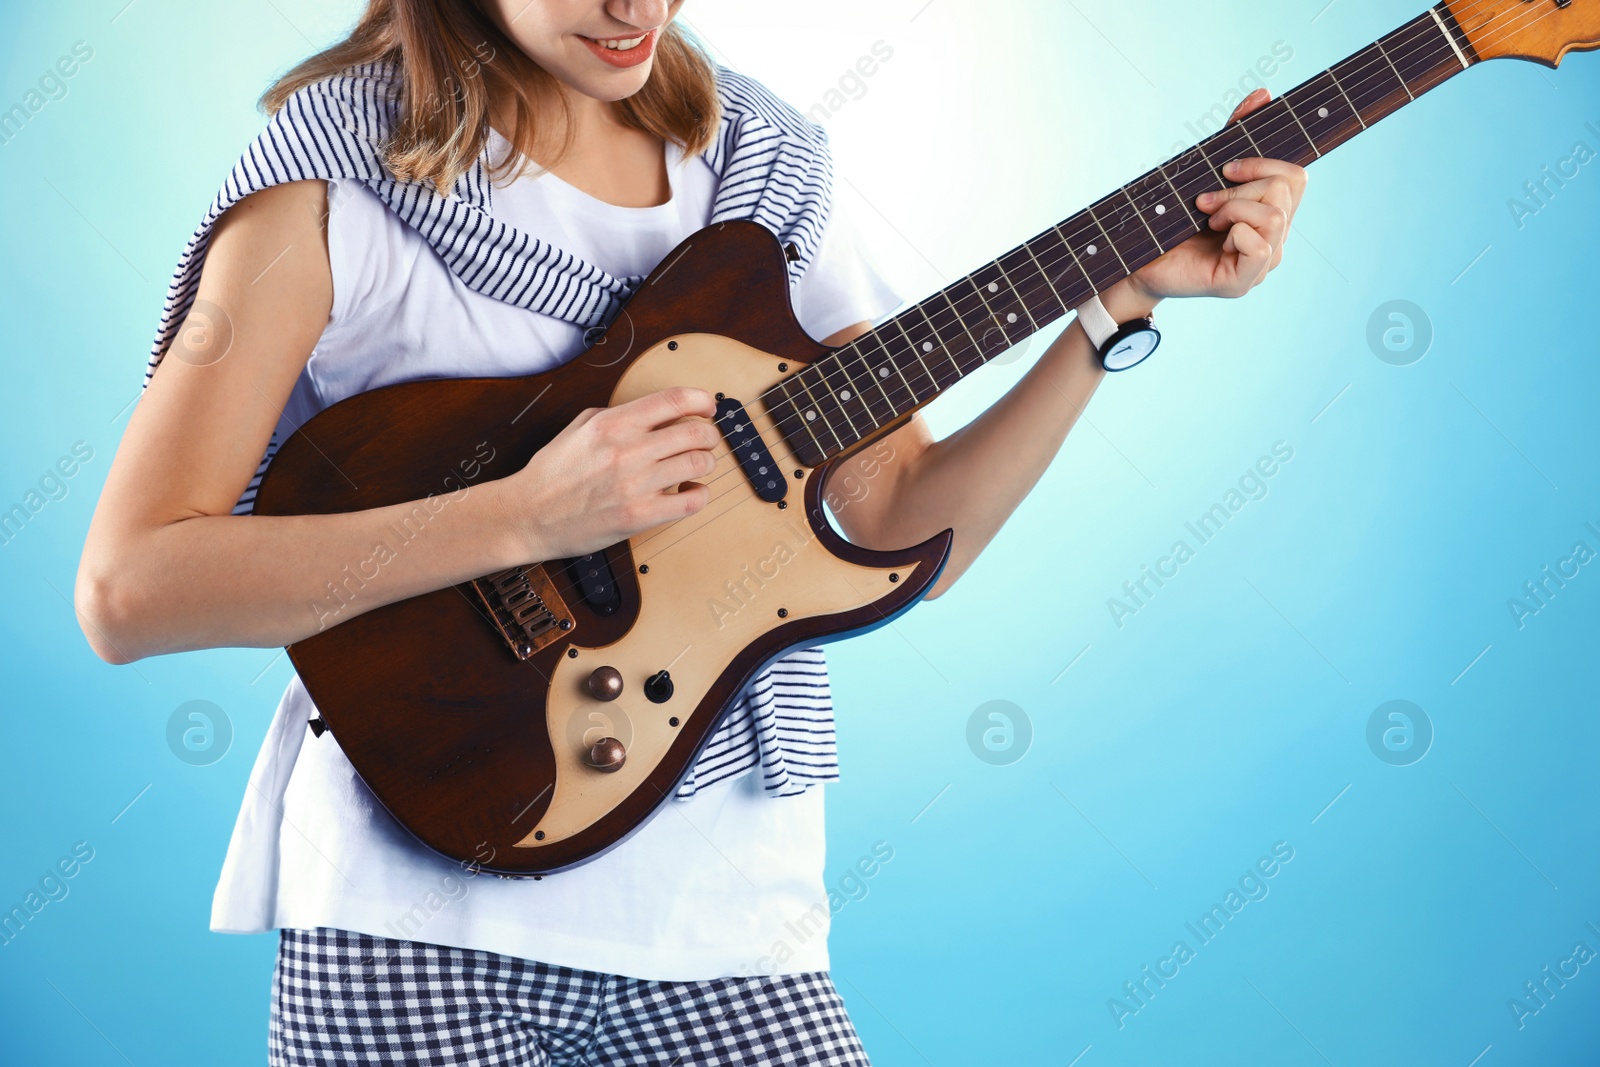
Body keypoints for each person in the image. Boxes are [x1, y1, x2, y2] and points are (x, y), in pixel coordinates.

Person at [75, 1, 1307, 1062]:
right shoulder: (331, 186)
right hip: (412, 914)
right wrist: (524, 515)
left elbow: (894, 520)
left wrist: (1112, 310)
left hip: (729, 916)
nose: (631, 7)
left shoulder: (762, 169)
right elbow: (129, 588)